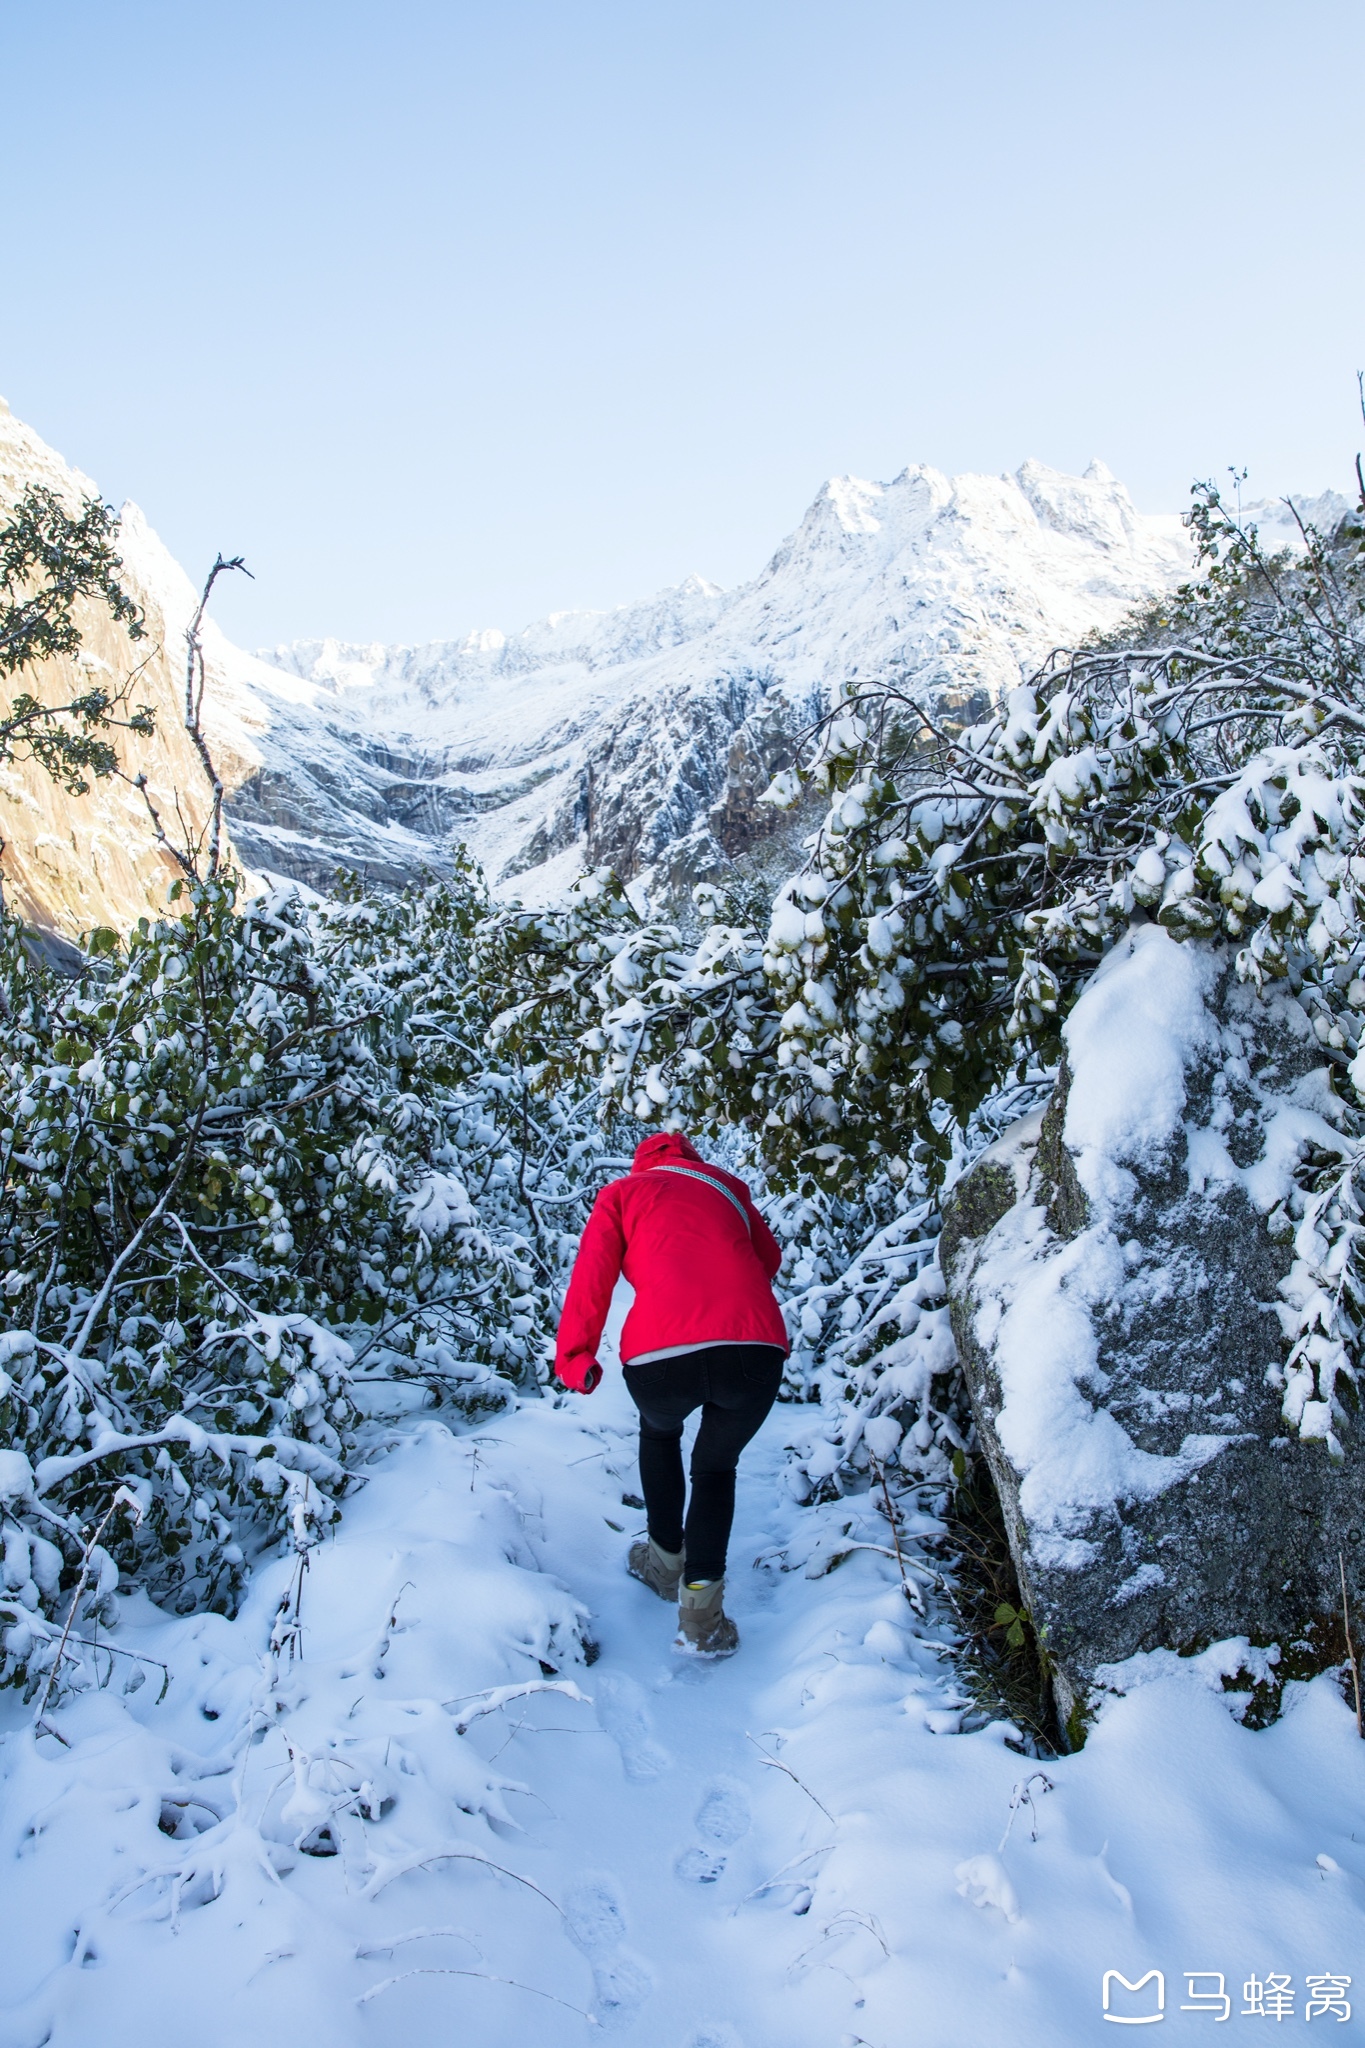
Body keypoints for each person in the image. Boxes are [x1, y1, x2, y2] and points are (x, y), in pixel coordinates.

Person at [554, 1130, 789, 1657]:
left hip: (661, 1357)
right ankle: (702, 1616)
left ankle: (663, 1564)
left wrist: (575, 1357)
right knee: (715, 1467)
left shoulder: (622, 1194)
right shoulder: (726, 1186)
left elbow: (592, 1275)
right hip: (754, 1348)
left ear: (643, 1164)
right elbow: (766, 1259)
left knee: (660, 1435)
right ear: (692, 1160)